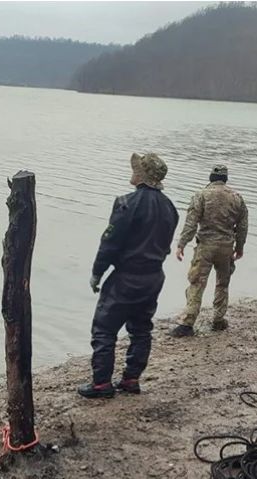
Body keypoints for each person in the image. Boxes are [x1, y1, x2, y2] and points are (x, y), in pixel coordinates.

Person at [78, 153, 179, 399]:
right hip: (154, 277)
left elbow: (110, 242)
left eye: (136, 169)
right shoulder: (170, 208)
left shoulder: (126, 203)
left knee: (104, 329)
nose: (131, 172)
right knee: (141, 329)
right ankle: (131, 379)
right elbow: (165, 246)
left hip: (126, 278)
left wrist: (97, 273)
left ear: (141, 176)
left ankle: (101, 383)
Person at [169, 165, 248, 337]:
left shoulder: (201, 195)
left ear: (210, 178)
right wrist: (240, 247)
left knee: (197, 282)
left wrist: (181, 244)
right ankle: (218, 319)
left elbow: (191, 223)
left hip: (205, 245)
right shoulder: (237, 198)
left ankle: (187, 323)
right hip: (226, 247)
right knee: (222, 283)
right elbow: (242, 226)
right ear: (225, 179)